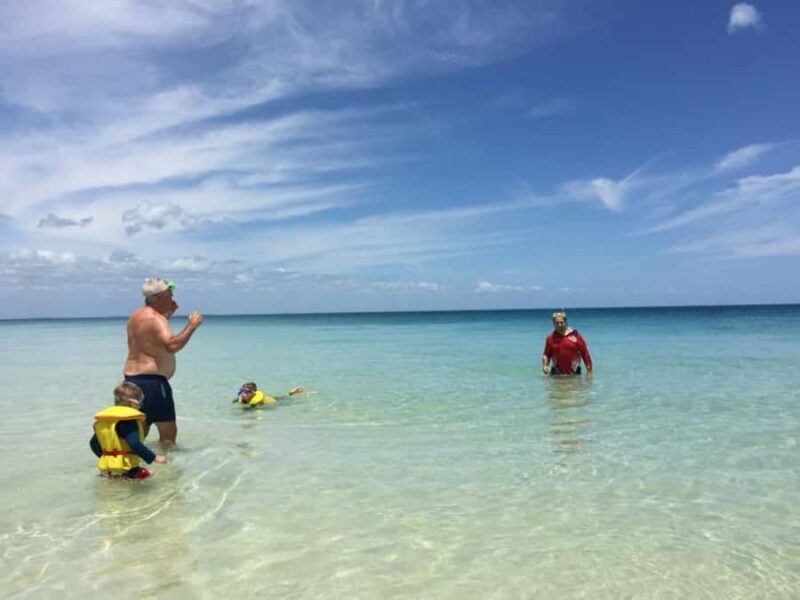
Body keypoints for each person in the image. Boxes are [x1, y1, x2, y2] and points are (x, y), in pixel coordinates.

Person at [123, 278, 203, 447]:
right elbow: (171, 345)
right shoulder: (156, 319)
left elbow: (151, 340)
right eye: (170, 295)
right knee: (168, 433)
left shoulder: (135, 317)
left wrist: (167, 315)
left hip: (131, 381)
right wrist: (192, 326)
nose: (173, 298)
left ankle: (126, 465)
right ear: (159, 297)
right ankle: (166, 469)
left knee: (137, 429)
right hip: (152, 383)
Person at [90, 381, 167, 479]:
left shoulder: (108, 421)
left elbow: (93, 444)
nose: (141, 406)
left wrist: (110, 458)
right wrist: (154, 457)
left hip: (107, 470)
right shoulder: (129, 421)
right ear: (132, 404)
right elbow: (134, 443)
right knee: (152, 476)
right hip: (127, 470)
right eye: (140, 403)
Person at [542, 311, 592, 375]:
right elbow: (546, 354)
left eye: (561, 322)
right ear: (553, 324)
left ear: (565, 322)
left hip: (574, 373)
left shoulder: (575, 335)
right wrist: (545, 365)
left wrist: (589, 370)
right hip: (556, 374)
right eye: (557, 323)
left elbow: (585, 353)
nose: (559, 325)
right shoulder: (550, 338)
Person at [234, 381, 305, 407]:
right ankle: (291, 393)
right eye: (242, 391)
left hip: (276, 402)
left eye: (247, 392)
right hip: (273, 398)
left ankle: (292, 393)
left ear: (254, 393)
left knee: (285, 399)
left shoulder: (258, 403)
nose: (244, 394)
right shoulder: (239, 399)